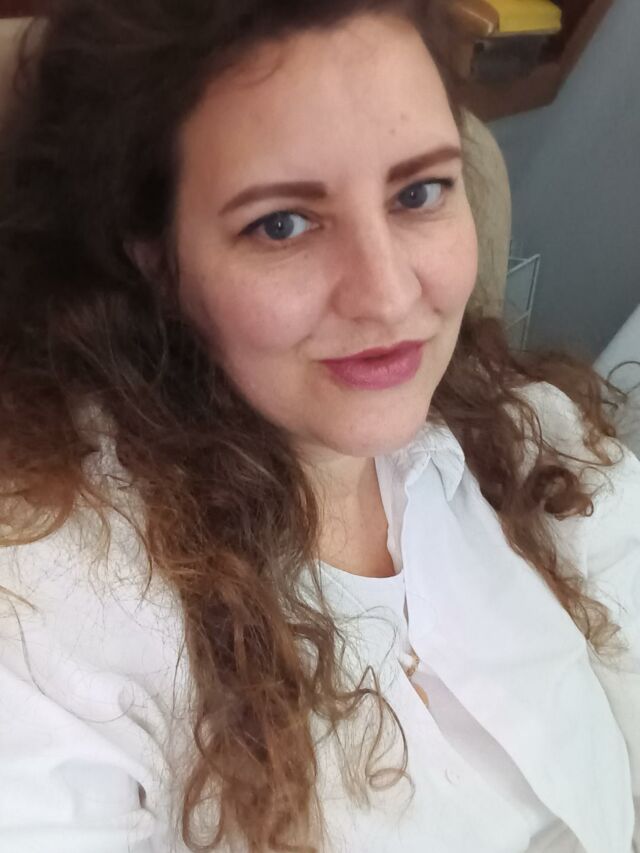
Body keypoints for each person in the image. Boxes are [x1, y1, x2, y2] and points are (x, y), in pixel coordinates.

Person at [0, 1, 638, 851]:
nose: (389, 296)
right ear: (154, 258)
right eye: (282, 224)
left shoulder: (533, 435)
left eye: (418, 193)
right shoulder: (47, 611)